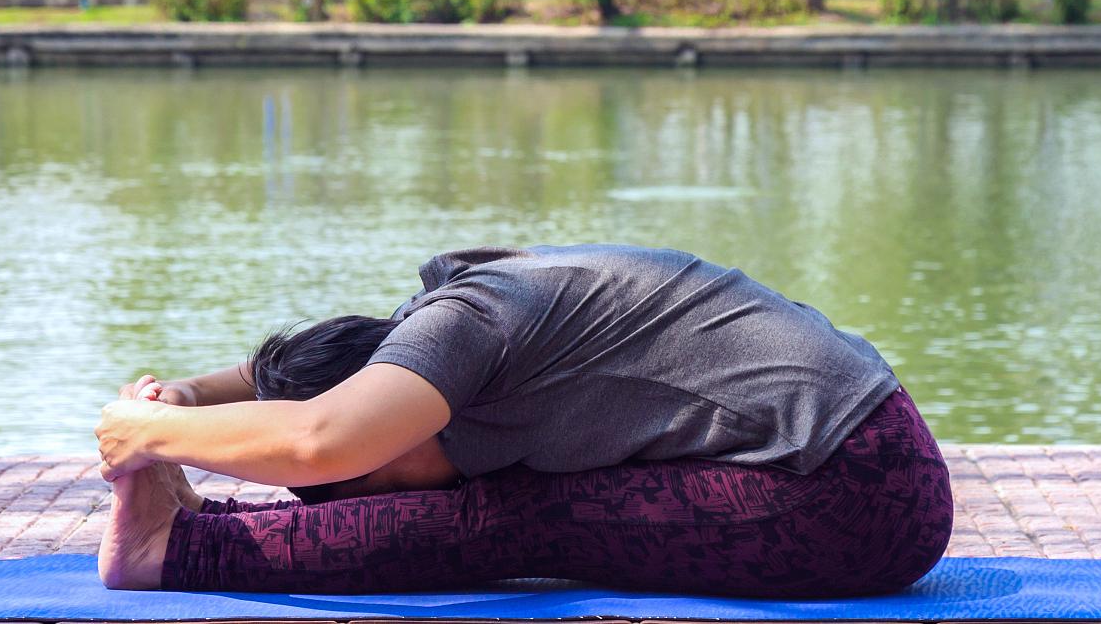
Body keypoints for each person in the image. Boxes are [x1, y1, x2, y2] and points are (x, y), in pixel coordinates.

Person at [95, 244, 952, 597]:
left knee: (511, 521)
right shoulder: (419, 331)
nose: (398, 490)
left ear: (391, 399)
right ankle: (198, 525)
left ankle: (176, 549)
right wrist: (191, 397)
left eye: (380, 481)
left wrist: (144, 435)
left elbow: (321, 439)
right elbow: (282, 375)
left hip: (857, 490)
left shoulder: (460, 331)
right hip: (847, 445)